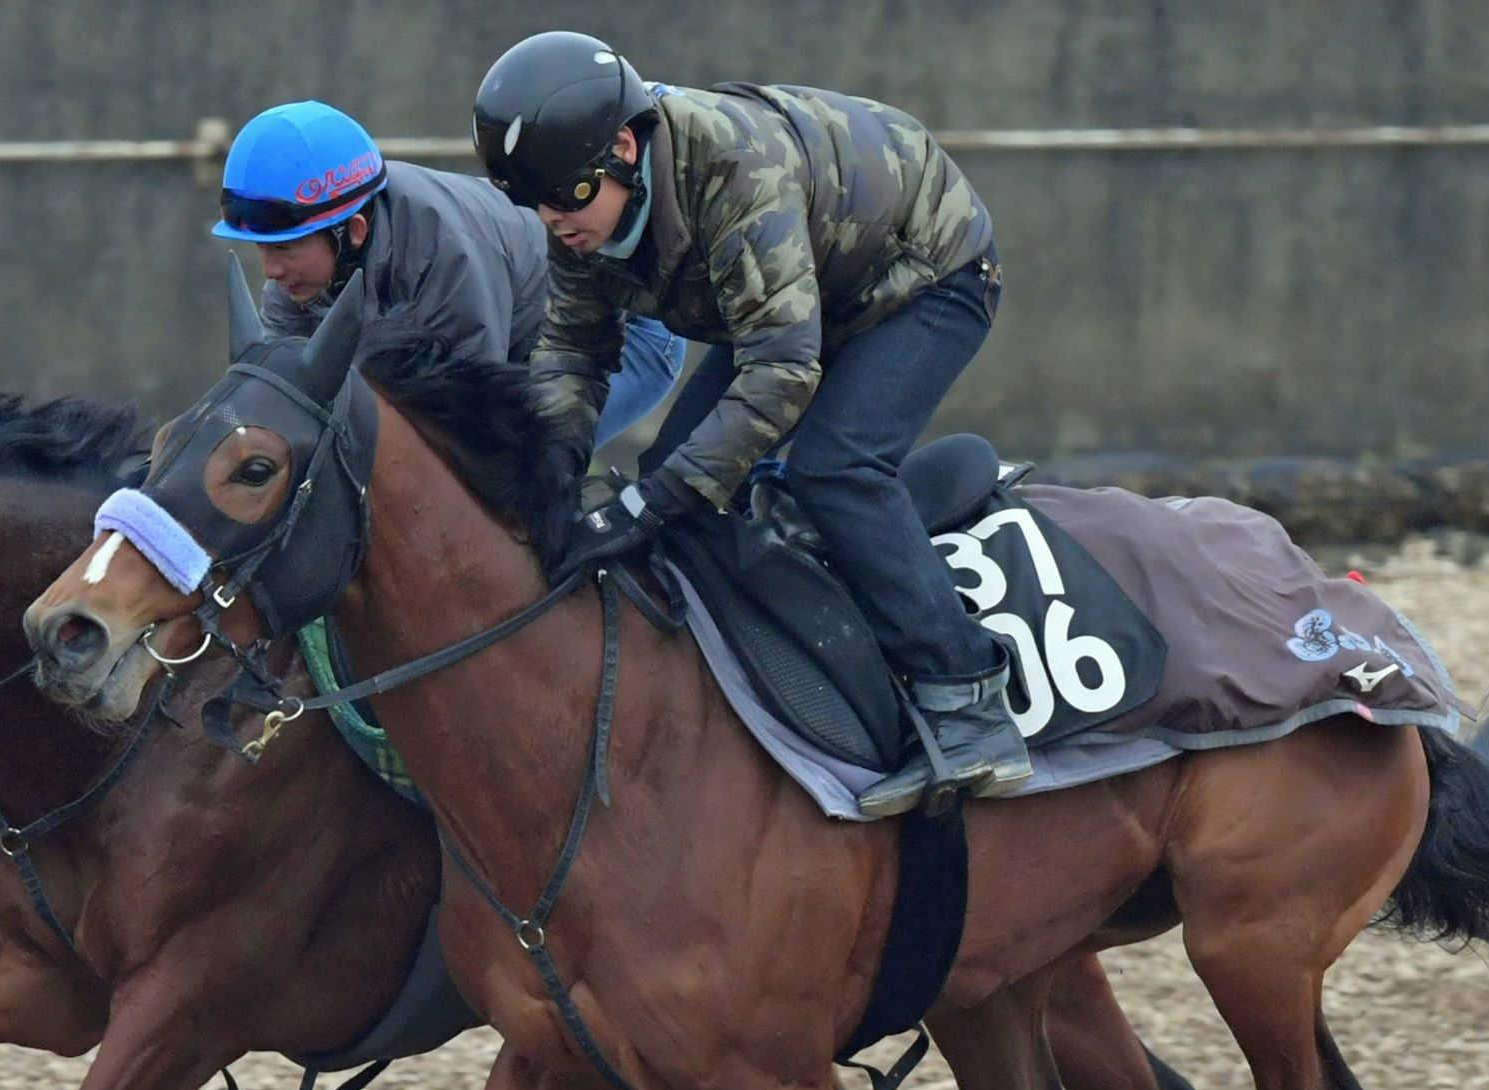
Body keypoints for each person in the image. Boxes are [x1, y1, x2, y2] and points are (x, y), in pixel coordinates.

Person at [471, 32, 1030, 816]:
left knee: (832, 468)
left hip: (924, 273)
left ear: (625, 147)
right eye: (528, 201)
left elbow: (781, 371)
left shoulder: (733, 167)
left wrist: (648, 503)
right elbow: (571, 348)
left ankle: (965, 695)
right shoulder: (579, 208)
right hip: (799, 293)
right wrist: (553, 468)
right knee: (676, 466)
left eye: (564, 195)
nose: (550, 219)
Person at [213, 98, 684, 445]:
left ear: (353, 230)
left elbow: (471, 428)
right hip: (518, 344)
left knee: (515, 464)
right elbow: (281, 401)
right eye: (262, 248)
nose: (271, 271)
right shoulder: (298, 276)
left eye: (288, 248)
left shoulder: (447, 257)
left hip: (623, 335)